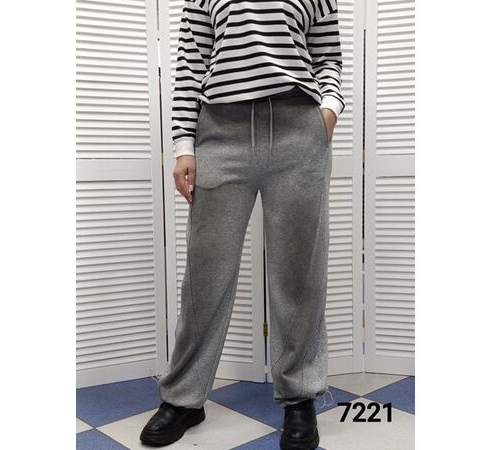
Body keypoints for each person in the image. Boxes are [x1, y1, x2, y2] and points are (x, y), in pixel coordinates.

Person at [141, 0, 345, 448]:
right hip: (221, 130)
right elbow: (191, 64)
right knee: (205, 274)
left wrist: (328, 110)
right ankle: (184, 398)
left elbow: (328, 56)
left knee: (300, 274)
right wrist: (184, 145)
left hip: (298, 129)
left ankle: (299, 397)